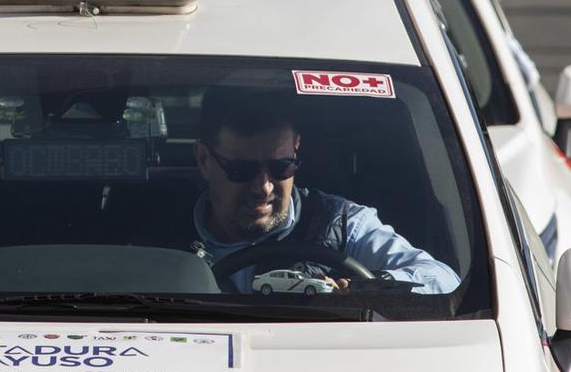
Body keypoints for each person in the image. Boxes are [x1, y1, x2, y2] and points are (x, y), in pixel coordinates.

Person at [188, 84, 460, 295]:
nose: (263, 187)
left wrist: (369, 285)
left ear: (297, 148)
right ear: (203, 159)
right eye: (242, 170)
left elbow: (443, 279)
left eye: (282, 167)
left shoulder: (342, 224)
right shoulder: (157, 229)